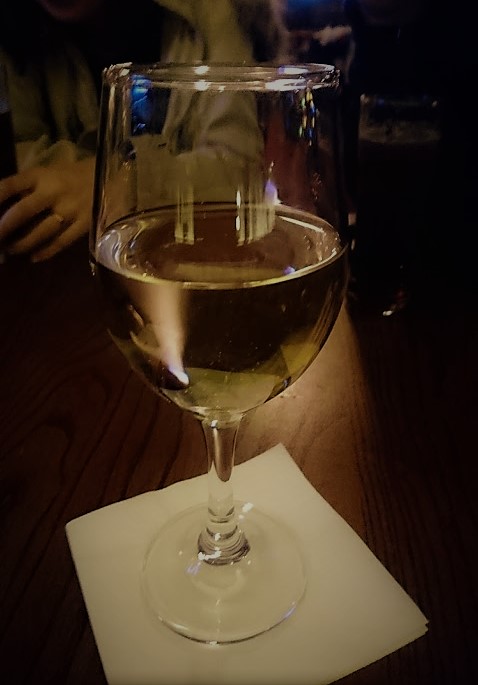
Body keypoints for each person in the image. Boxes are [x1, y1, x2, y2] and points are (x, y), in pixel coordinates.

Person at [0, 0, 288, 262]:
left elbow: (241, 169)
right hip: (58, 269)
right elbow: (14, 161)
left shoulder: (208, 12)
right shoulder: (11, 22)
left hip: (192, 257)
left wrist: (123, 183)